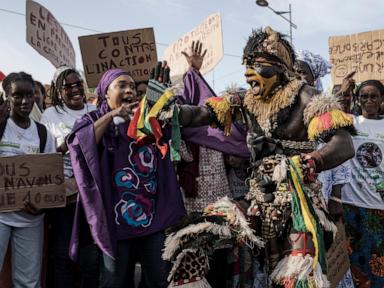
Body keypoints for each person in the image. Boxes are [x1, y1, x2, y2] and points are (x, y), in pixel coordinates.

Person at [162, 28, 355, 287]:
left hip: (298, 205)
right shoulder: (247, 99)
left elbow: (344, 144)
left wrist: (308, 163)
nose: (249, 74)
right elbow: (198, 115)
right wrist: (165, 106)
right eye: (248, 66)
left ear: (281, 69)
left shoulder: (307, 97)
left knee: (297, 275)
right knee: (192, 241)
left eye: (259, 66)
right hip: (256, 199)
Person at [67, 69, 186, 287]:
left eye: (132, 86)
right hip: (113, 223)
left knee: (161, 278)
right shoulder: (92, 118)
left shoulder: (147, 120)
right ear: (104, 93)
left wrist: (162, 97)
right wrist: (113, 116)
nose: (129, 90)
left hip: (151, 219)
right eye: (121, 85)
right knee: (114, 281)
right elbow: (79, 145)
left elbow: (175, 127)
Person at [40, 66, 99, 288]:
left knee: (90, 258)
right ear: (58, 90)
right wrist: (65, 146)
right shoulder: (50, 115)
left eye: (78, 85)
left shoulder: (95, 110)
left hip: (91, 198)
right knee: (63, 256)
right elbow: (45, 155)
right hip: (64, 199)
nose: (74, 90)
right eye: (68, 87)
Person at [0, 72, 56, 288]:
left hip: (30, 220)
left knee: (29, 282)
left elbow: (51, 176)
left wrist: (43, 206)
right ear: (7, 97)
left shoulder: (43, 134)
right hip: (1, 217)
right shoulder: (1, 128)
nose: (25, 101)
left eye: (30, 94)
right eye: (17, 95)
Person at [341, 80, 384, 288]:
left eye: (373, 96)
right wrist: (343, 94)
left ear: (381, 99)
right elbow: (328, 121)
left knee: (379, 261)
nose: (368, 100)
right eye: (363, 96)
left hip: (379, 205)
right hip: (352, 205)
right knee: (355, 262)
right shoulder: (350, 124)